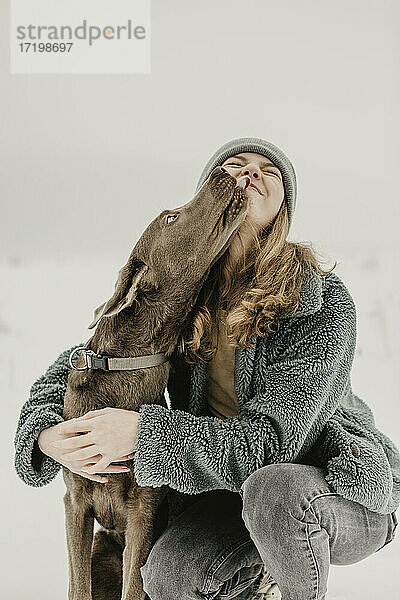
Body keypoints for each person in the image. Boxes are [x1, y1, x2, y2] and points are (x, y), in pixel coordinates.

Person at [14, 137, 399, 600]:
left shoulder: (320, 301)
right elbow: (86, 362)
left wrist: (144, 436)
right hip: (225, 491)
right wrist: (46, 434)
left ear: (284, 210)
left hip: (331, 490)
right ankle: (255, 572)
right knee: (167, 578)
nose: (251, 173)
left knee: (273, 492)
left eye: (268, 172)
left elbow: (271, 446)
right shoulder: (185, 298)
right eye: (236, 166)